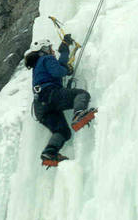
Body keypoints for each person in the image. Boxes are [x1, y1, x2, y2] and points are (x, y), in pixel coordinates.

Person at [24, 35, 94, 163]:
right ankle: (79, 114)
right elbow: (58, 71)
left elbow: (60, 66)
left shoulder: (37, 66)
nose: (52, 51)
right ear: (43, 49)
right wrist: (66, 69)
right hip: (50, 95)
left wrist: (65, 50)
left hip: (40, 108)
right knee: (81, 94)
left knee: (63, 132)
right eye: (50, 48)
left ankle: (50, 152)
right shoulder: (47, 58)